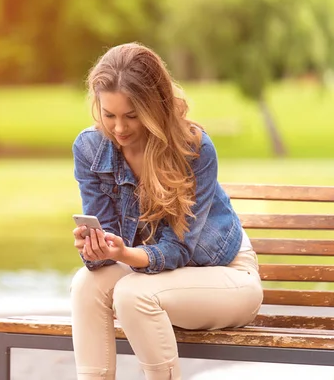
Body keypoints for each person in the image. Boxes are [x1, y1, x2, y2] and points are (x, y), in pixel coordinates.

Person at [70, 42, 263, 380]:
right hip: (156, 276)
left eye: (131, 115)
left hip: (227, 276)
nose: (119, 128)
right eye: (109, 114)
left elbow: (177, 249)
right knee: (86, 282)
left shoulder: (193, 148)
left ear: (154, 106)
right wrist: (97, 248)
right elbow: (107, 243)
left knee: (133, 295)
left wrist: (125, 253)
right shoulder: (90, 147)